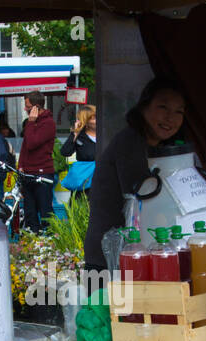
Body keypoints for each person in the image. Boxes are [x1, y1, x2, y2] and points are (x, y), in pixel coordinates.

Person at [82, 79, 185, 272]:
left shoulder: (155, 147)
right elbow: (144, 198)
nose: (171, 118)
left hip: (127, 255)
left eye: (179, 111)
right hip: (110, 259)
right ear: (143, 107)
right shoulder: (130, 142)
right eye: (163, 107)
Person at [16, 91, 57, 232]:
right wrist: (21, 165)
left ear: (36, 107)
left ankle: (51, 240)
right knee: (30, 212)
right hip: (28, 173)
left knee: (45, 211)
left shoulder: (48, 123)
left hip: (42, 173)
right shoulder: (30, 124)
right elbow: (25, 146)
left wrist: (31, 123)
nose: (25, 109)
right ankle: (32, 239)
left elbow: (33, 142)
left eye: (27, 106)